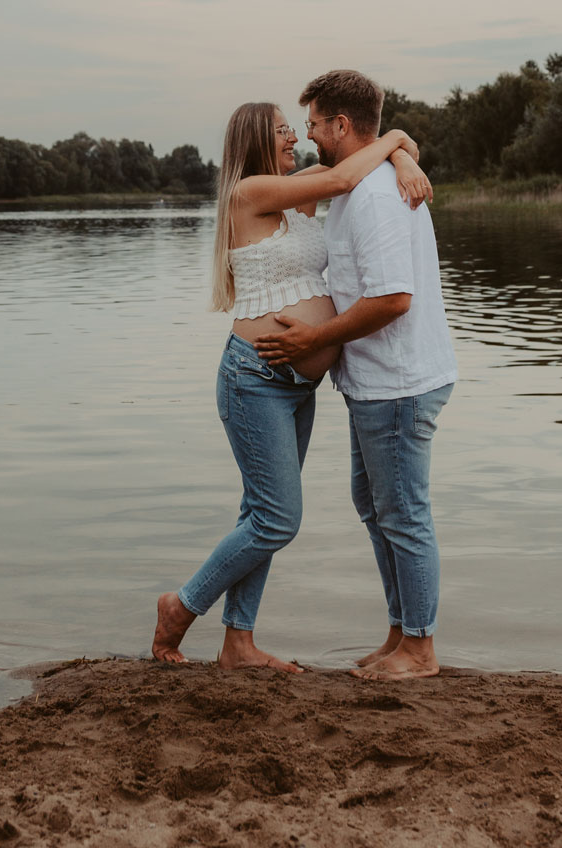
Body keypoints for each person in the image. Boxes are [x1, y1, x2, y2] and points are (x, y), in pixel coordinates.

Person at [152, 100, 431, 671]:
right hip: (253, 378)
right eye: (284, 131)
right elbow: (348, 173)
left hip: (292, 386)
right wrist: (398, 137)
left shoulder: (295, 189)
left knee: (259, 514)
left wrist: (402, 155)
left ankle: (239, 643)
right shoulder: (248, 193)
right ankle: (180, 607)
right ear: (257, 138)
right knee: (276, 519)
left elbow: (356, 168)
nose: (294, 139)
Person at [253, 70, 457, 682]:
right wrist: (398, 146)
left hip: (398, 383)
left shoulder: (372, 197)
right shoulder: (359, 182)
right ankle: (401, 632)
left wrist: (312, 339)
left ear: (341, 125)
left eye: (314, 123)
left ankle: (419, 650)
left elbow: (394, 298)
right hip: (374, 384)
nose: (309, 134)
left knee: (403, 514)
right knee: (375, 506)